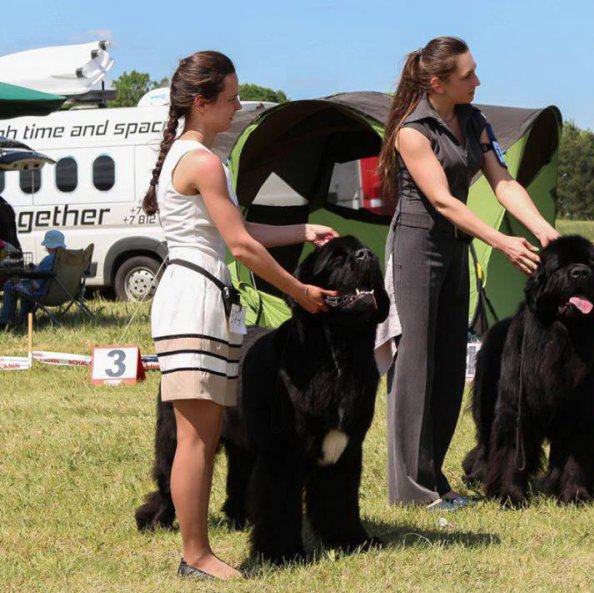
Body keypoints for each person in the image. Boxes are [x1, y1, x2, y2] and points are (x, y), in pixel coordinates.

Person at [145, 51, 337, 580]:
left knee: (203, 438)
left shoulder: (197, 156)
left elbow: (239, 232)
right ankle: (195, 555)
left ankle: (198, 551)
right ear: (201, 103)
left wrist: (302, 231)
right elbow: (241, 247)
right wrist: (298, 290)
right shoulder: (202, 160)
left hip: (200, 295)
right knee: (197, 439)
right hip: (195, 301)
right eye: (230, 99)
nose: (236, 108)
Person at [376, 37, 560, 510]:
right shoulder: (412, 131)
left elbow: (504, 181)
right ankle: (411, 492)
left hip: (455, 247)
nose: (478, 82)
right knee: (414, 367)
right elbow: (441, 200)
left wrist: (543, 231)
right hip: (417, 246)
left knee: (449, 367)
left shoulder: (475, 121)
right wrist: (500, 241)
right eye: (468, 76)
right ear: (438, 83)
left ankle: (434, 480)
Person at [0, 229, 64, 329]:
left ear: (49, 246)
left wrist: (30, 274)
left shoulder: (49, 259)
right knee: (23, 287)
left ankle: (6, 321)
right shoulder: (63, 258)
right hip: (62, 292)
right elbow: (46, 273)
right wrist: (36, 270)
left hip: (41, 292)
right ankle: (25, 319)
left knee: (10, 284)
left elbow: (37, 285)